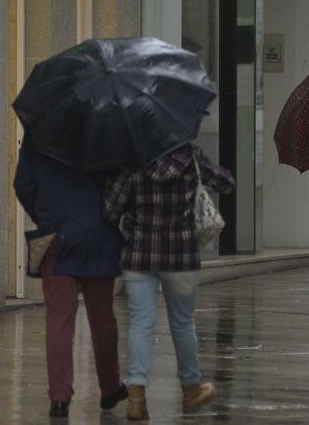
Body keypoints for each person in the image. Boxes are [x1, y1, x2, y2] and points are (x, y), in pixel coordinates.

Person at [103, 144, 235, 420]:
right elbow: (226, 183)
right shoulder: (190, 155)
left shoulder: (132, 158)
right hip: (181, 254)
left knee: (140, 322)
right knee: (183, 324)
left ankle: (137, 398)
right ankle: (190, 390)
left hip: (139, 253)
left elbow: (111, 208)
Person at [13, 144, 127, 418]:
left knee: (59, 319)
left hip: (56, 238)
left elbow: (24, 184)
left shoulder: (41, 130)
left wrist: (46, 215)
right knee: (103, 318)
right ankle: (110, 388)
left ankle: (60, 397)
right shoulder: (107, 130)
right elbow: (121, 189)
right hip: (98, 238)